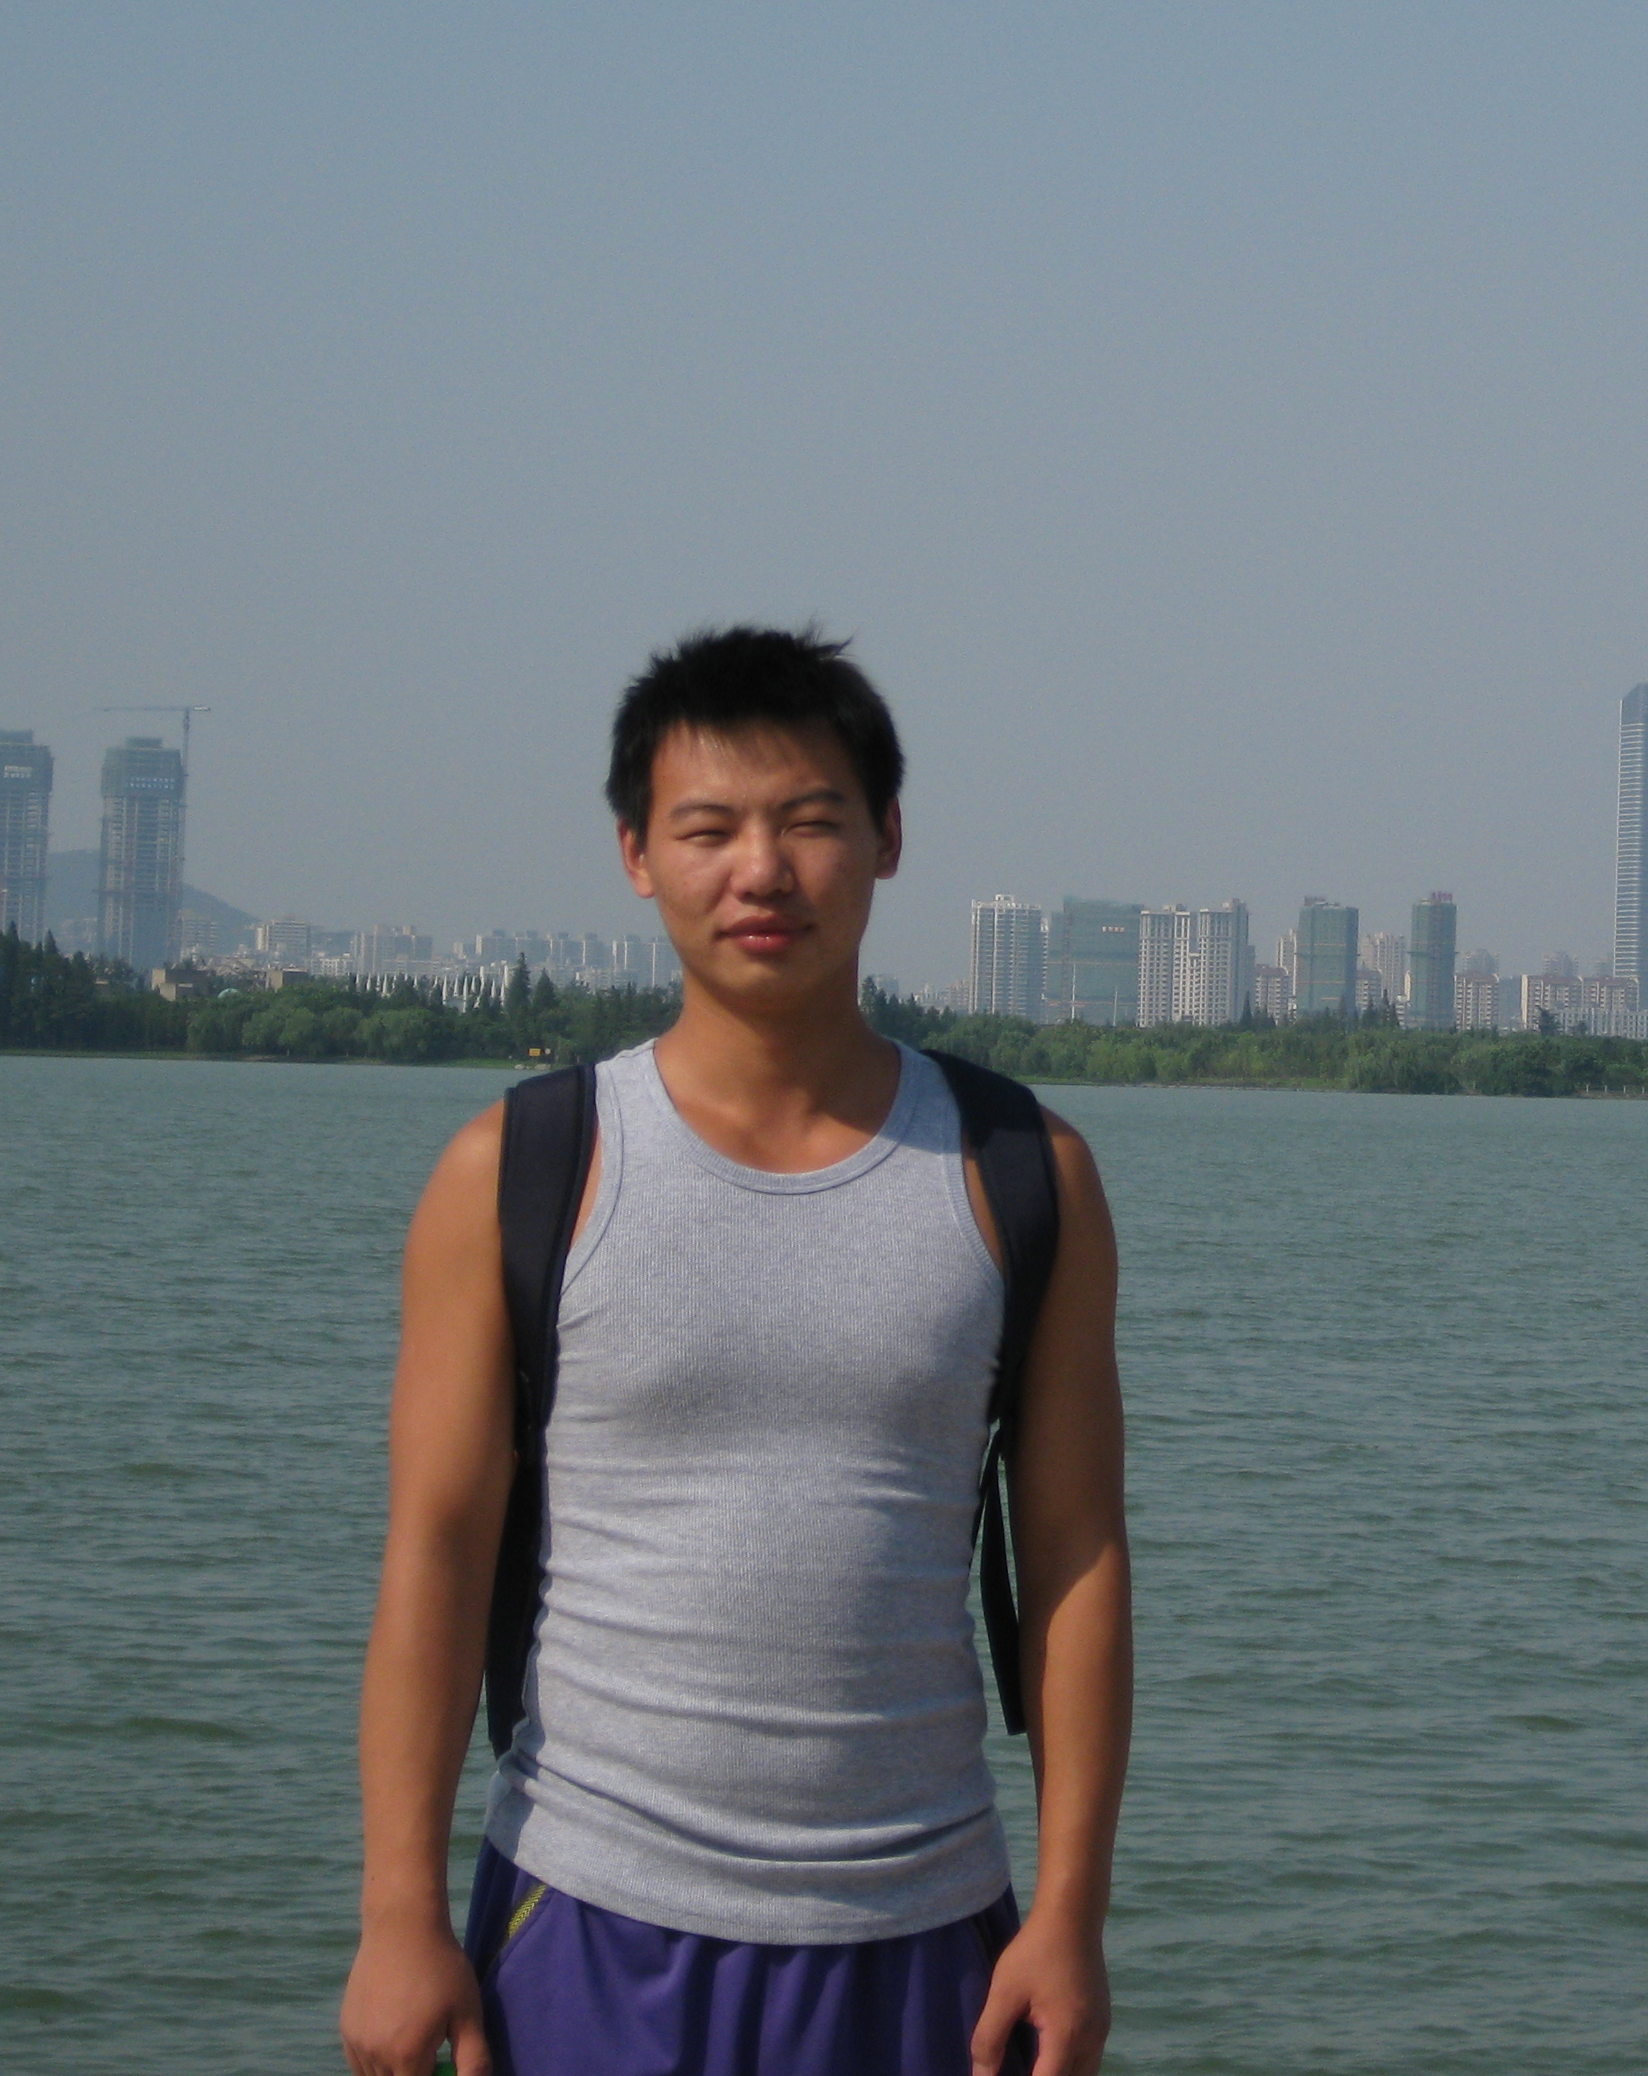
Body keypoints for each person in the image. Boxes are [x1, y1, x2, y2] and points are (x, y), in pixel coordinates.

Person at [340, 626, 1128, 2076]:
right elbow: (437, 1550)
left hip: (924, 1932)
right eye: (708, 829)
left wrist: (1071, 1914)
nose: (761, 871)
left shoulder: (1024, 1172)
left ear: (888, 839)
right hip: (587, 1919)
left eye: (811, 820)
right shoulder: (521, 1169)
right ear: (637, 855)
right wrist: (399, 1913)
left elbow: (1075, 1552)